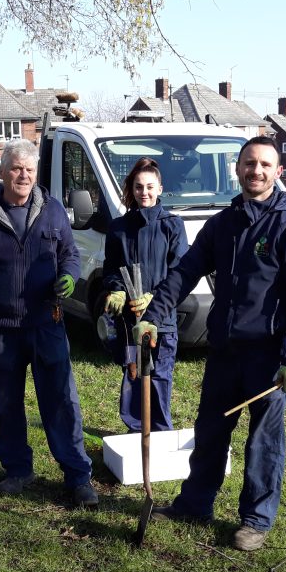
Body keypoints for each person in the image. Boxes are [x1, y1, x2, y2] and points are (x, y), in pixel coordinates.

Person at [133, 136, 286, 551]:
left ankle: (255, 519)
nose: (256, 170)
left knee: (263, 442)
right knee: (211, 431)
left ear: (277, 172)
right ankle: (195, 503)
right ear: (238, 169)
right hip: (224, 353)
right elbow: (184, 273)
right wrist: (152, 317)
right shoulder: (223, 224)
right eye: (249, 163)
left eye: (265, 165)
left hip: (269, 356)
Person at [0, 138, 98, 507]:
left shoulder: (52, 211)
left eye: (30, 170)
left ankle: (78, 476)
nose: (24, 176)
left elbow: (70, 254)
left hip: (47, 322)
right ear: (1, 172)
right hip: (2, 329)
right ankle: (18, 470)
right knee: (8, 404)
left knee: (61, 401)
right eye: (17, 168)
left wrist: (69, 277)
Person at [101, 157, 187, 433]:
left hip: (162, 320)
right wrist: (116, 289)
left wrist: (155, 299)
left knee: (160, 377)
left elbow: (179, 272)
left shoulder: (173, 226)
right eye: (139, 187)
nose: (144, 193)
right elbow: (111, 268)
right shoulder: (118, 228)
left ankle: (160, 432)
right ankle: (136, 431)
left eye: (150, 187)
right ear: (132, 189)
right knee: (134, 373)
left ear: (160, 188)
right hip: (130, 321)